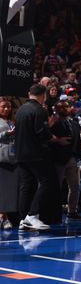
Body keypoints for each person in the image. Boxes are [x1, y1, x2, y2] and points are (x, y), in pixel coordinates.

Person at [15, 84, 69, 230]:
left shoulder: (21, 110)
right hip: (35, 154)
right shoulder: (39, 110)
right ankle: (32, 215)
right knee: (47, 182)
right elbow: (42, 134)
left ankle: (23, 218)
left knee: (26, 186)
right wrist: (53, 134)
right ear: (43, 96)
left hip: (20, 154)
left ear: (29, 93)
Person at [0, 98, 17, 230]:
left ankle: (5, 215)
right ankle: (3, 217)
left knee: (8, 191)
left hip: (12, 159)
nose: (7, 109)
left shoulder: (11, 121)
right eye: (3, 106)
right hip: (1, 158)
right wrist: (7, 133)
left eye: (9, 107)